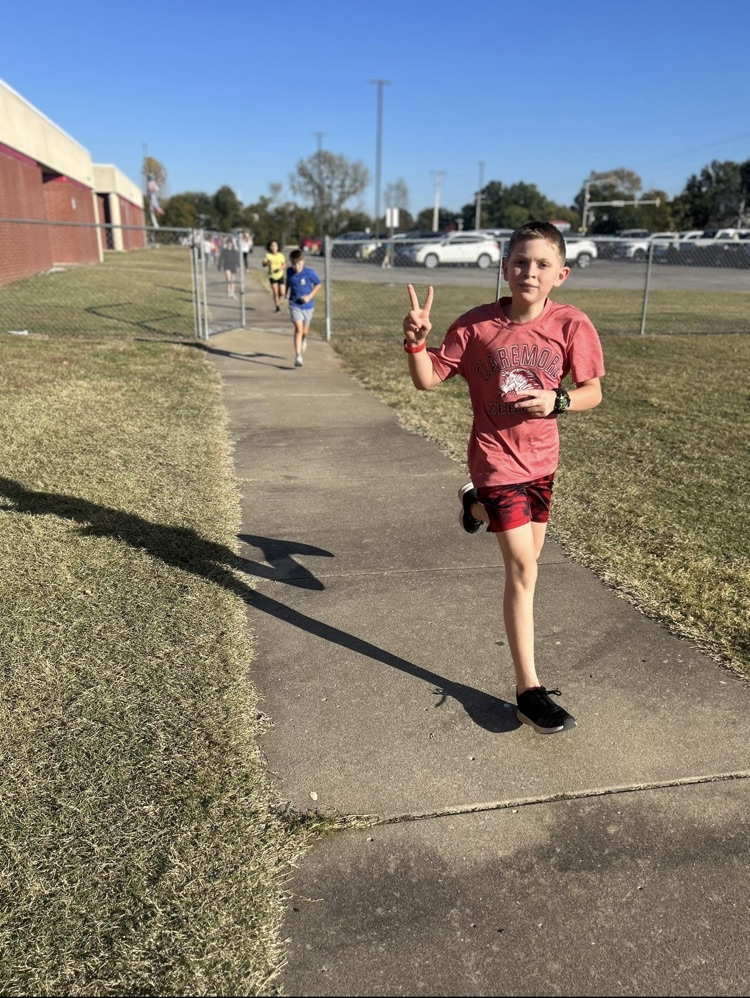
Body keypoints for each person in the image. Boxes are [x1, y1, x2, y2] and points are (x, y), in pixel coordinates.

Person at [402, 221, 605, 735]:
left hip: (542, 464)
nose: (528, 272)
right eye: (519, 262)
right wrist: (415, 344)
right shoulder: (475, 327)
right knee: (523, 569)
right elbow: (428, 381)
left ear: (561, 273)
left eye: (540, 265)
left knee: (528, 561)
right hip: (495, 461)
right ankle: (528, 692)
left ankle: (474, 508)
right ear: (504, 267)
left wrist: (556, 400)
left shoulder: (572, 325)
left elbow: (592, 392)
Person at [286, 248, 322, 367]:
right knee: (299, 330)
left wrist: (309, 295)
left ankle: (304, 339)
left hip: (308, 306)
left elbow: (318, 284)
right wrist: (287, 292)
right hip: (294, 304)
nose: (296, 267)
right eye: (294, 264)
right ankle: (298, 356)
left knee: (305, 331)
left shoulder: (309, 273)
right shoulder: (289, 272)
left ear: (303, 261)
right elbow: (288, 282)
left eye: (299, 264)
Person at [263, 239, 287, 312]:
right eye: (272, 246)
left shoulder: (281, 255)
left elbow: (284, 264)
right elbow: (263, 264)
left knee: (282, 292)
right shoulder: (268, 255)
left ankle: (278, 299)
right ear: (270, 247)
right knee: (275, 292)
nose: (274, 247)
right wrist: (268, 263)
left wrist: (281, 268)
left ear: (278, 247)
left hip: (280, 275)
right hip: (272, 276)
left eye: (275, 246)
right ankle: (277, 307)